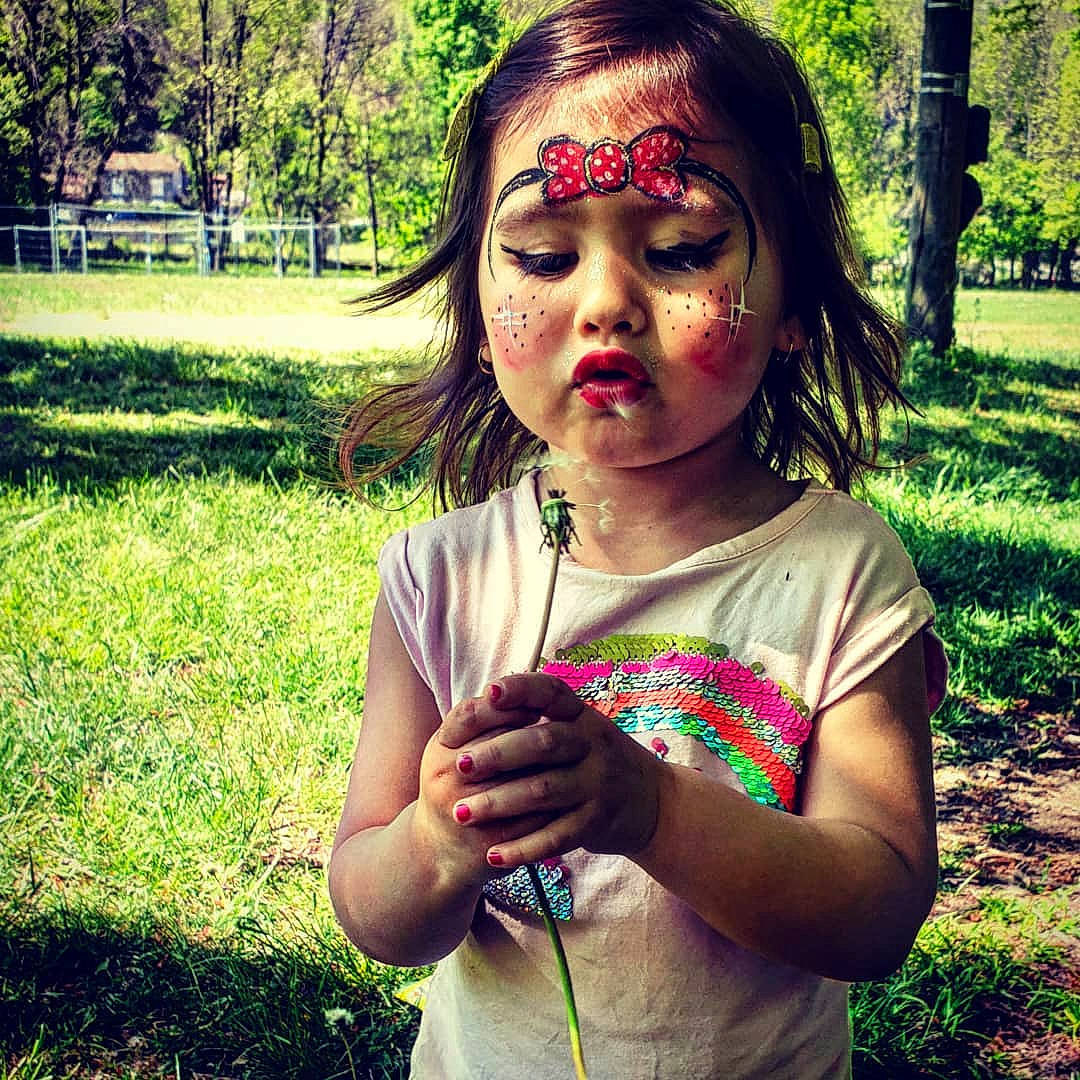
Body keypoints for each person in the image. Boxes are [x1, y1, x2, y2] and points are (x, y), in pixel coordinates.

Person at [329, 1, 946, 1076]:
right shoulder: (441, 580)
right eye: (539, 256)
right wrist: (437, 843)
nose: (606, 302)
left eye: (680, 248)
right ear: (477, 310)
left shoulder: (845, 576)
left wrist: (652, 808)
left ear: (791, 295)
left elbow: (875, 911)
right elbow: (377, 915)